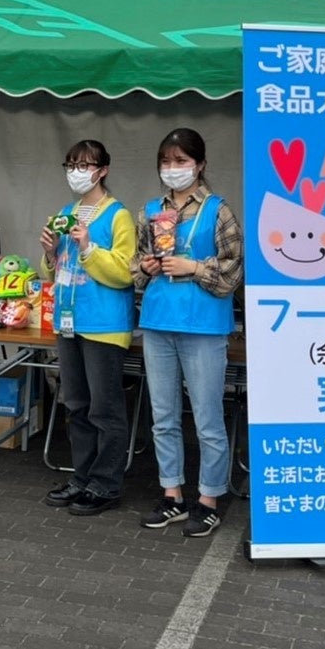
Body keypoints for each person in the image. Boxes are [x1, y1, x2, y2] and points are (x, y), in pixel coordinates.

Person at [132, 128, 244, 538]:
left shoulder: (218, 210)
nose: (172, 168)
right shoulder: (150, 210)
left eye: (181, 161)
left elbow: (234, 269)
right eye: (166, 161)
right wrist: (146, 267)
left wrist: (193, 267)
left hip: (203, 325)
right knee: (163, 416)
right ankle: (172, 495)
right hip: (158, 321)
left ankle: (209, 500)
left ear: (200, 164)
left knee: (207, 417)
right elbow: (135, 266)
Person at [38, 139, 137, 516]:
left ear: (103, 170)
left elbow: (125, 272)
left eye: (85, 165)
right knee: (76, 405)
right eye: (71, 165)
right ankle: (82, 477)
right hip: (69, 321)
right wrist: (50, 253)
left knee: (104, 408)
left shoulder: (118, 216)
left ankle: (106, 483)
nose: (76, 172)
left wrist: (89, 248)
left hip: (104, 324)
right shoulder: (66, 212)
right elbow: (56, 271)